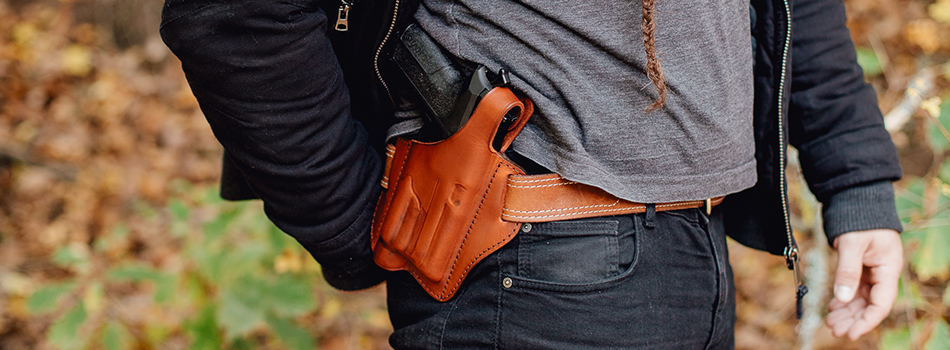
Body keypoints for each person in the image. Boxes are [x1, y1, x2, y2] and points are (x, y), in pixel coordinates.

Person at [160, 0, 904, 348]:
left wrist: (855, 179)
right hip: (526, 264)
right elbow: (234, 15)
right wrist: (358, 222)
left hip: (694, 248)